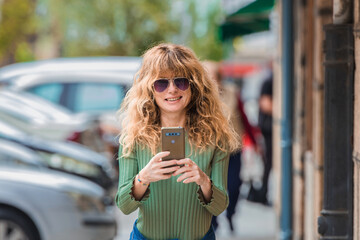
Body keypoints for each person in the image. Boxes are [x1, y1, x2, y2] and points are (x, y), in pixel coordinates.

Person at [115, 43, 239, 240]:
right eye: (161, 83)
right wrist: (144, 177)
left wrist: (203, 180)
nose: (171, 90)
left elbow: (220, 206)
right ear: (150, 89)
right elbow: (124, 205)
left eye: (181, 82)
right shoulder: (133, 137)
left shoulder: (216, 136)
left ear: (194, 86)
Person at [203, 61, 258, 232]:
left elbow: (243, 118)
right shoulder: (199, 96)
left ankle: (231, 214)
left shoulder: (232, 92)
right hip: (210, 151)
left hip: (233, 149)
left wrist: (254, 142)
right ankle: (214, 221)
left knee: (234, 186)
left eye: (213, 74)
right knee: (212, 188)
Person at [246, 74, 273, 205]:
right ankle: (261, 193)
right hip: (267, 130)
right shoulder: (268, 81)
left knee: (267, 165)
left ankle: (263, 192)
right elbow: (266, 104)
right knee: (266, 163)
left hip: (269, 129)